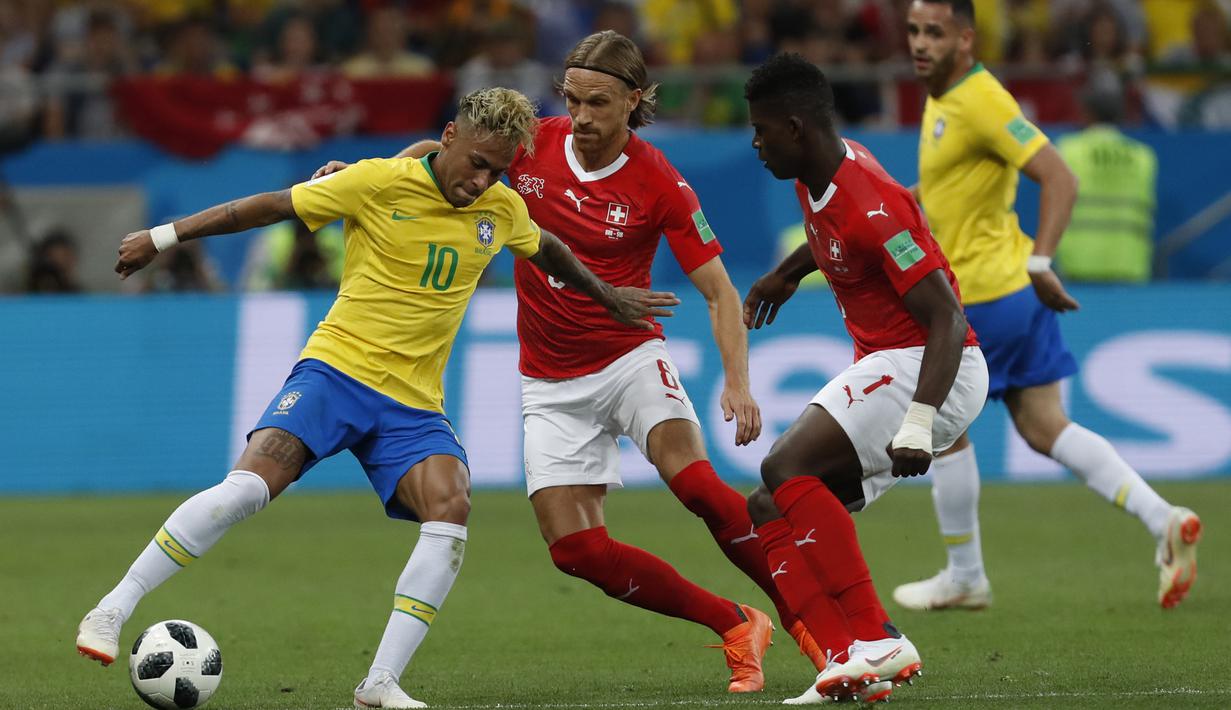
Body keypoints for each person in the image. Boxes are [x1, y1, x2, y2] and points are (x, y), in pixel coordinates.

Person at [75, 87, 670, 710]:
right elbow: (268, 206)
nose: (481, 182)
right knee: (246, 490)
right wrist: (162, 237)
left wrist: (609, 296)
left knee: (451, 506)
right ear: (450, 137)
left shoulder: (500, 208)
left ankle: (379, 683)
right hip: (337, 373)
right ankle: (112, 608)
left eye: (497, 170)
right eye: (476, 164)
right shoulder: (376, 182)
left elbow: (546, 247)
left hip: (412, 405)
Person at [314, 31, 810, 692]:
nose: (580, 116)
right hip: (548, 380)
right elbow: (440, 155)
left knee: (697, 486)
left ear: (634, 100)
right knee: (576, 551)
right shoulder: (531, 145)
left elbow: (719, 291)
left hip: (628, 358)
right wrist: (363, 175)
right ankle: (735, 622)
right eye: (572, 100)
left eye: (598, 102)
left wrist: (739, 385)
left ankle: (815, 624)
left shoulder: (660, 181)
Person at [897, 0, 1200, 612]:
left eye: (935, 33)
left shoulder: (981, 100)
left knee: (940, 429)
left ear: (966, 39)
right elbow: (950, 184)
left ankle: (965, 574)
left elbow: (1060, 176)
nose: (920, 43)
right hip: (1008, 293)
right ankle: (1163, 517)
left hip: (980, 299)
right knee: (1045, 428)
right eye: (913, 31)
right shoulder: (944, 96)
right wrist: (894, 205)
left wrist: (1042, 263)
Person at [740, 52, 988, 704]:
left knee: (784, 465)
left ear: (795, 128)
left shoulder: (875, 203)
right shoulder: (816, 173)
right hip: (892, 362)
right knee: (768, 506)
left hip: (932, 364)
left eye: (762, 130)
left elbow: (947, 317)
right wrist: (787, 273)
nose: (756, 144)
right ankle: (844, 659)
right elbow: (834, 232)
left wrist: (919, 423)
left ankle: (876, 638)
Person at [1055, 85, 1158, 283]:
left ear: (1087, 113)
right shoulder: (1143, 155)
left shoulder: (1068, 149)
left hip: (1079, 259)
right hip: (1129, 259)